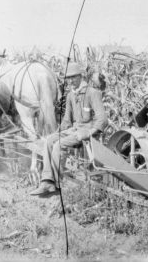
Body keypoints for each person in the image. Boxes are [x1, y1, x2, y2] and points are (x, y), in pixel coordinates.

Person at [30, 62, 107, 196]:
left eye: (73, 77)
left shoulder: (92, 93)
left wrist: (90, 132)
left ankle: (55, 183)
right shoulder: (71, 95)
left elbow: (102, 119)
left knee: (59, 145)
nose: (70, 81)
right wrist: (56, 133)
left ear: (81, 76)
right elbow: (66, 121)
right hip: (74, 129)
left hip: (86, 130)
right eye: (68, 78)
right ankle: (47, 181)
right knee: (49, 141)